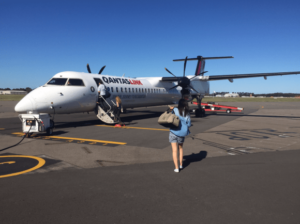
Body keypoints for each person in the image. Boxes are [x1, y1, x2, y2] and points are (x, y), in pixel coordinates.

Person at [169, 99, 191, 173]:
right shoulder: (187, 113)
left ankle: (176, 168)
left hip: (173, 132)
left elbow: (170, 116)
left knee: (174, 151)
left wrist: (171, 109)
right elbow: (189, 124)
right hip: (182, 134)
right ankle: (181, 165)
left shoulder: (175, 110)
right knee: (180, 148)